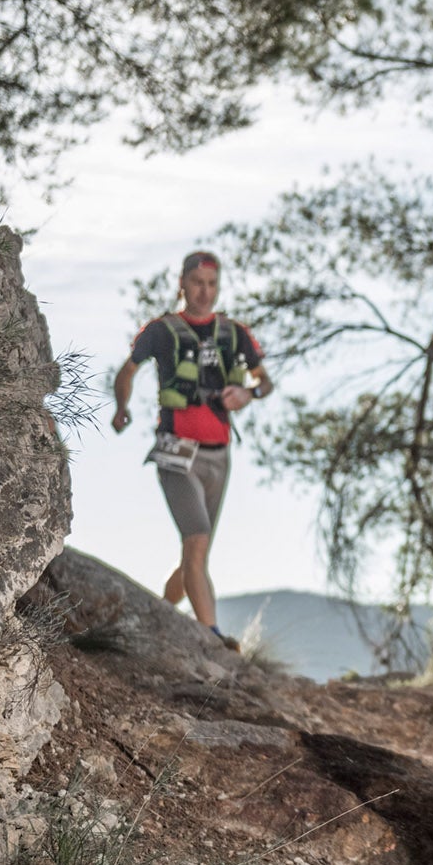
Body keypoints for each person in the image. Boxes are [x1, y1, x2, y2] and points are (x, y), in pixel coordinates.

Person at [111, 250, 273, 650]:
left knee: (194, 554)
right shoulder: (162, 331)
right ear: (182, 283)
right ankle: (213, 639)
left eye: (212, 284)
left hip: (220, 456)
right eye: (197, 282)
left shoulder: (235, 334)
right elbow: (127, 370)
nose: (205, 292)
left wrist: (247, 394)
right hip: (176, 452)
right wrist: (121, 408)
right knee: (197, 541)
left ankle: (156, 615)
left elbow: (265, 382)